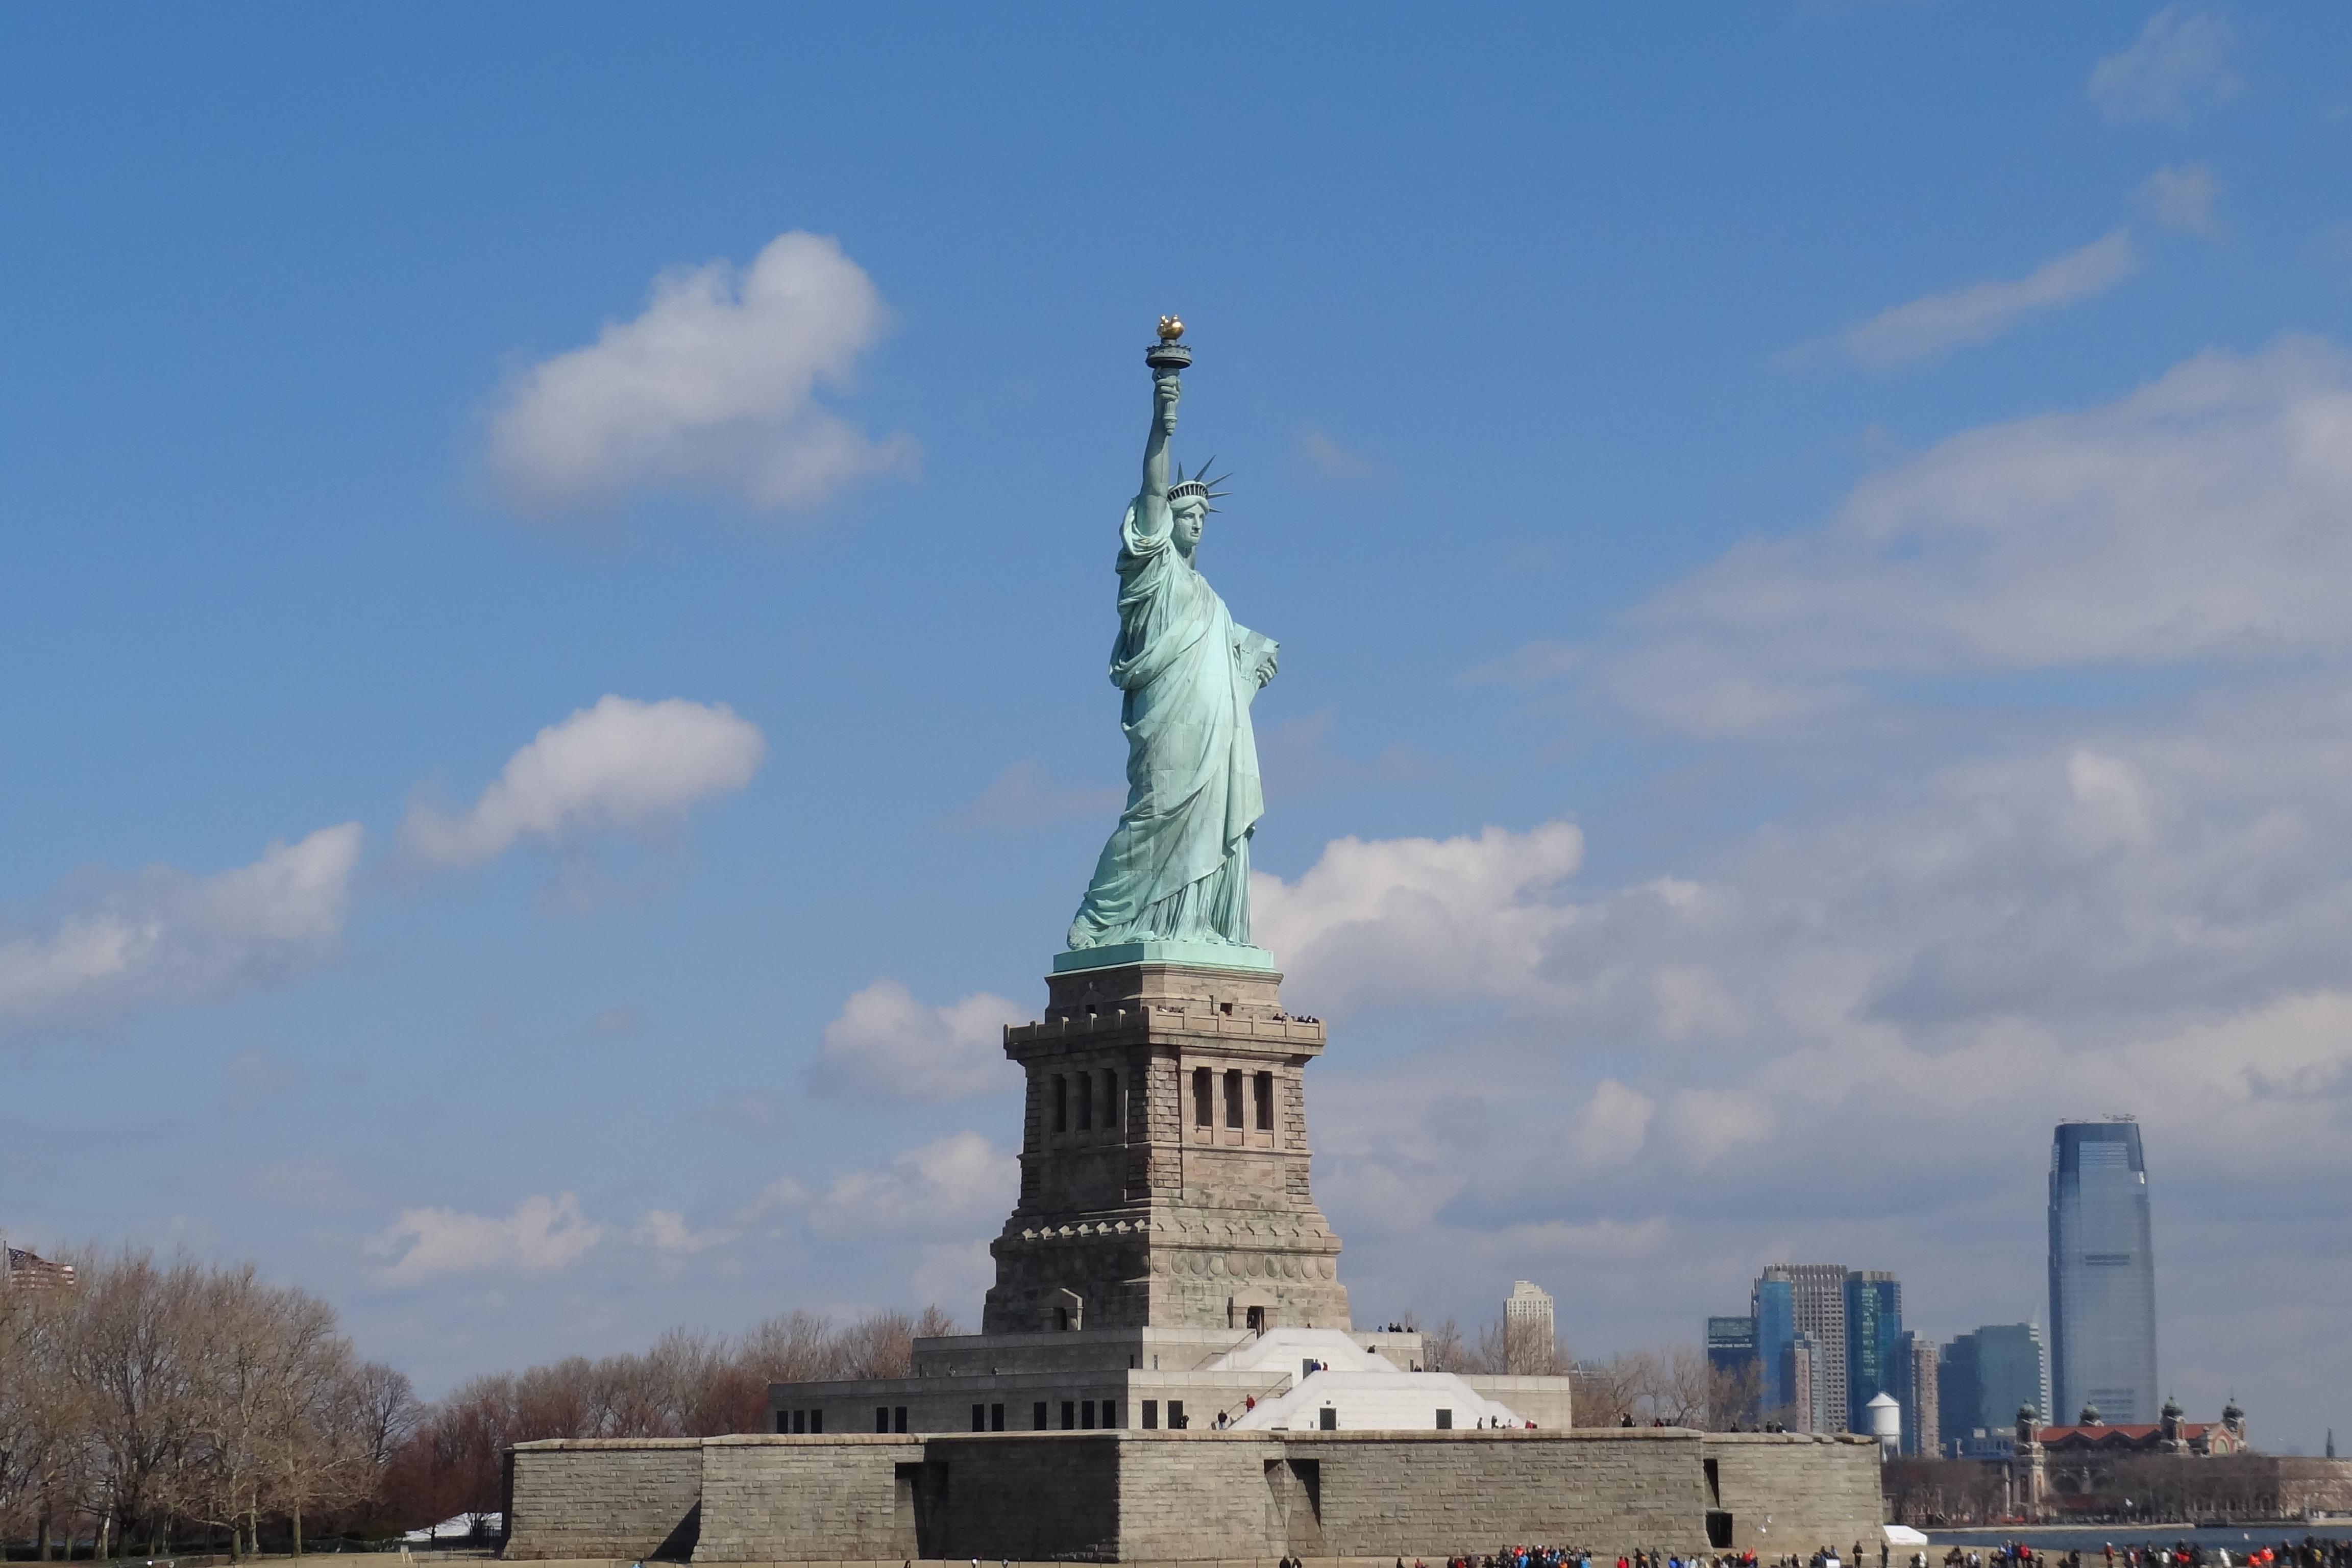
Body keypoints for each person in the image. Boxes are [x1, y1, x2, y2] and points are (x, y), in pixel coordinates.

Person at [1067, 354, 1276, 952]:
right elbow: (1153, 484)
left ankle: (1196, 927)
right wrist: (1164, 416)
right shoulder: (1153, 572)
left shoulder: (1213, 598)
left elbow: (1231, 675)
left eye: (1204, 516)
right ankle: (1102, 919)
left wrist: (1251, 664)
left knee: (1210, 812)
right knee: (1157, 809)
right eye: (1187, 516)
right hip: (1170, 722)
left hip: (1216, 729)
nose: (1197, 524)